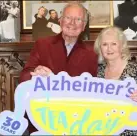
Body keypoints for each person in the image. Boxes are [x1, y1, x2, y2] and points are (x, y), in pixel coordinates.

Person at [19, 2, 98, 133]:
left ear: (83, 26)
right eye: (68, 18)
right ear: (60, 21)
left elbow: (94, 93)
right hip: (43, 120)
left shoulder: (91, 54)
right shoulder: (42, 44)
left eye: (78, 19)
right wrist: (35, 74)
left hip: (75, 124)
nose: (72, 23)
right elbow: (24, 77)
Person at [94, 26, 137, 136]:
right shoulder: (98, 71)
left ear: (121, 46)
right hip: (101, 130)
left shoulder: (136, 69)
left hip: (127, 131)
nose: (109, 48)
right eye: (104, 44)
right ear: (100, 48)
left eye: (114, 44)